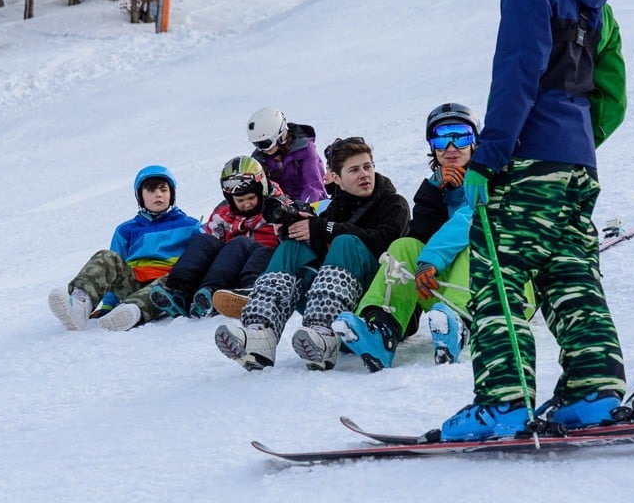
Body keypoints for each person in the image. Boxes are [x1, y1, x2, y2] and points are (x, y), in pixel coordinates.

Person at [439, 0, 628, 441]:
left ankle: (503, 403)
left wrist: (488, 157)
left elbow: (518, 72)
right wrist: (578, 141)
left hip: (527, 157)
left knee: (499, 268)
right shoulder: (598, 1)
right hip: (577, 164)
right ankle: (592, 392)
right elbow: (613, 90)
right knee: (570, 271)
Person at [214, 137, 410, 371]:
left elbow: (386, 243)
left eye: (368, 167)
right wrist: (294, 232)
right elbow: (319, 258)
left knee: (346, 242)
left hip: (376, 316)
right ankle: (260, 333)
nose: (365, 175)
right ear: (336, 178)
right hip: (337, 307)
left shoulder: (393, 203)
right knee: (291, 249)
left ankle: (324, 333)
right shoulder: (335, 209)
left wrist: (323, 229)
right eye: (355, 170)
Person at [331, 103, 480, 371]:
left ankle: (458, 326)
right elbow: (420, 237)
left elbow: (469, 220)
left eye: (460, 135)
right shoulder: (435, 189)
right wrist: (435, 191)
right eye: (441, 139)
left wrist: (432, 259)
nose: (450, 147)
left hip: (502, 289)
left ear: (474, 141)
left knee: (475, 241)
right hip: (446, 295)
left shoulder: (494, 180)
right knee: (404, 245)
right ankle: (381, 329)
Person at [48, 165, 200, 331]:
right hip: (133, 283)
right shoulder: (127, 229)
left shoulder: (190, 226)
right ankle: (80, 304)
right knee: (106, 256)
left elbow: (201, 257)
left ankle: (131, 312)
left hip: (168, 287)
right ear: (140, 196)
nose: (158, 194)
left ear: (172, 194)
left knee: (168, 281)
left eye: (164, 190)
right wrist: (107, 305)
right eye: (151, 190)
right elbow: (112, 271)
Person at [148, 156, 286, 319]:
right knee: (204, 240)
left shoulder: (278, 208)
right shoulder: (224, 213)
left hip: (260, 266)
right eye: (240, 200)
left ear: (261, 189)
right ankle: (179, 291)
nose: (246, 204)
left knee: (239, 243)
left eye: (251, 198)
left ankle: (214, 294)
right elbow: (210, 242)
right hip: (228, 267)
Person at [247, 106, 327, 203]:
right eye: (257, 144)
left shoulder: (304, 150)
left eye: (266, 143)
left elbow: (314, 185)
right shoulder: (259, 159)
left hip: (310, 204)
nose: (263, 149)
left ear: (280, 135)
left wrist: (305, 207)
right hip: (280, 208)